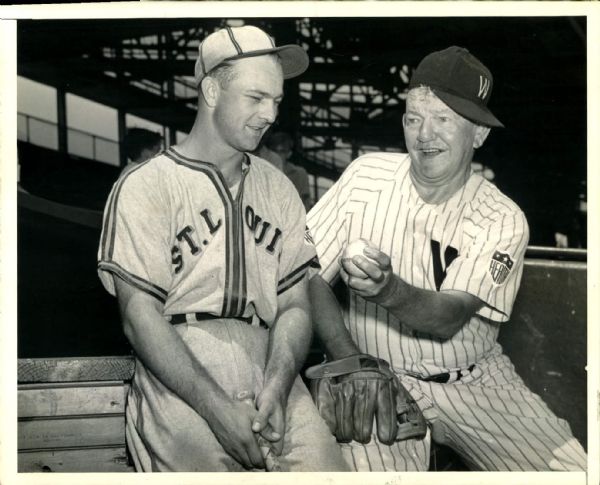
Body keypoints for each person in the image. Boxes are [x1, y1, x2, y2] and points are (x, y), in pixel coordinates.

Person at [306, 46, 587, 472]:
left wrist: (389, 289)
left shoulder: (502, 217)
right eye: (415, 118)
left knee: (576, 474)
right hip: (380, 373)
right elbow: (304, 271)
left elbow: (447, 316)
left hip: (475, 381)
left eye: (444, 119)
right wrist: (348, 356)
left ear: (478, 133)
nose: (424, 135)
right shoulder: (365, 176)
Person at [97, 25, 348, 472]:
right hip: (181, 363)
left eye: (276, 100)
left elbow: (294, 304)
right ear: (211, 90)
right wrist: (216, 410)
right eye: (255, 98)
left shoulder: (280, 188)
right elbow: (139, 317)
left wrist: (277, 382)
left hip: (271, 360)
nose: (269, 113)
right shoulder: (146, 184)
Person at [265, 131, 313, 210]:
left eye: (281, 151)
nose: (277, 155)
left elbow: (305, 201)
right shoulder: (264, 173)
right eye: (274, 151)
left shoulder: (299, 173)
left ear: (289, 153)